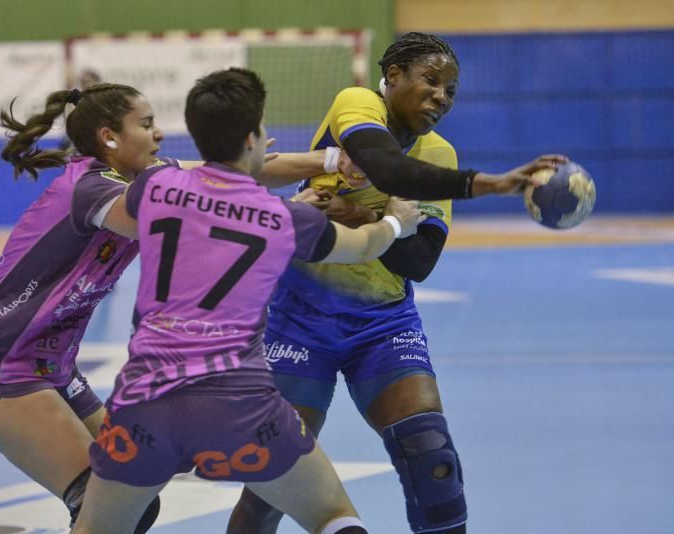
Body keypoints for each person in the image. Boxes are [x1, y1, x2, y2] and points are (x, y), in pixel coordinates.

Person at [0, 82, 362, 531]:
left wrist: (336, 161)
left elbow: (233, 174)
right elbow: (203, 215)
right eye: (146, 125)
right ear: (109, 138)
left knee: (145, 476)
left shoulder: (145, 180)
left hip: (51, 367)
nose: (159, 134)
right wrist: (282, 217)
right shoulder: (90, 188)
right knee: (102, 504)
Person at [228, 33, 567, 534]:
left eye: (450, 91)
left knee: (433, 459)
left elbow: (419, 260)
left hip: (382, 322)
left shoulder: (441, 154)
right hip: (299, 316)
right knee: (272, 482)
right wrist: (479, 186)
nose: (441, 98)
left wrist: (362, 213)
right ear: (392, 77)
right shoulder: (357, 103)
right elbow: (384, 164)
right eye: (430, 81)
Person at [70, 67, 426, 534]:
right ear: (256, 136)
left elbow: (200, 208)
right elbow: (364, 245)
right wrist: (396, 221)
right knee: (332, 516)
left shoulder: (152, 189)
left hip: (145, 402)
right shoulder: (283, 219)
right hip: (240, 405)